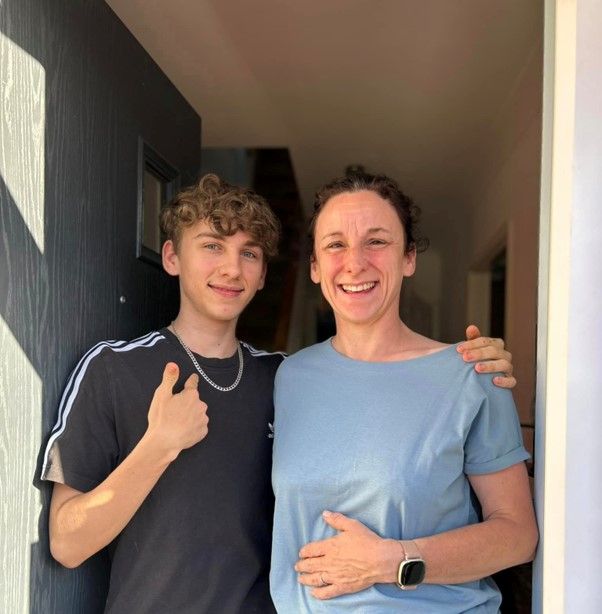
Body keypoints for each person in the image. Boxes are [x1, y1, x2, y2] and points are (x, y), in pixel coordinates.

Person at [40, 173, 517, 613]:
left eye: (249, 253)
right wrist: (158, 445)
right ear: (171, 257)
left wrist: (473, 361)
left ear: (264, 274)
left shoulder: (282, 376)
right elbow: (66, 543)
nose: (231, 268)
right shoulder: (114, 369)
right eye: (211, 246)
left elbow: (511, 528)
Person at [270, 172, 538, 613]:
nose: (354, 263)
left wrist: (391, 561)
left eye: (377, 241)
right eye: (335, 245)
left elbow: (517, 537)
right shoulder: (290, 377)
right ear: (315, 267)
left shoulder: (471, 375)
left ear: (409, 257)